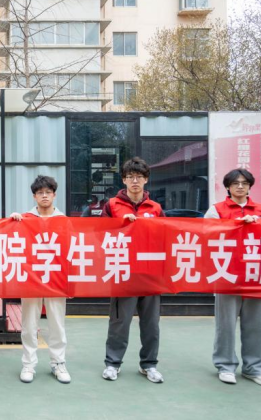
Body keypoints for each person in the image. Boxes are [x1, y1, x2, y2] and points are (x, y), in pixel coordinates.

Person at [205, 168, 261, 387]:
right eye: (235, 183)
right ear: (227, 187)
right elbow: (206, 236)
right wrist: (237, 225)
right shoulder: (216, 210)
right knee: (226, 325)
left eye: (244, 183)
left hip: (256, 275)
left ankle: (255, 368)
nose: (240, 187)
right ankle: (225, 365)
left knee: (258, 324)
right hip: (227, 274)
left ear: (250, 186)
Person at [101, 157, 166, 384]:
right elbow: (100, 234)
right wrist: (120, 225)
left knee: (151, 324)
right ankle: (112, 363)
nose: (135, 181)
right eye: (130, 177)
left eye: (139, 177)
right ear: (124, 180)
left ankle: (149, 364)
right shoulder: (112, 205)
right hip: (123, 272)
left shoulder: (155, 208)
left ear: (146, 179)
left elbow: (165, 236)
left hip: (150, 273)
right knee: (119, 322)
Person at [10, 175, 71, 384]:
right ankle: (28, 364)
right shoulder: (24, 219)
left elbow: (71, 252)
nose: (44, 196)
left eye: (48, 192)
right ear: (34, 196)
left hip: (56, 278)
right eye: (40, 193)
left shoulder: (64, 221)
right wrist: (13, 222)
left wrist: (70, 283)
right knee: (29, 325)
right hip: (32, 278)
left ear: (54, 195)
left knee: (57, 324)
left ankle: (58, 363)